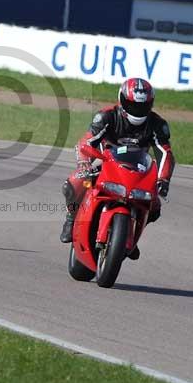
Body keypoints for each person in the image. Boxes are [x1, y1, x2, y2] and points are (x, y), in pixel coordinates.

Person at [59, 78, 175, 253]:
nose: (137, 110)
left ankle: (131, 235)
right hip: (105, 160)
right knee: (74, 184)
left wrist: (163, 180)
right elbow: (87, 141)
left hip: (138, 167)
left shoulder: (157, 124)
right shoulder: (107, 116)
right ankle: (71, 217)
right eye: (132, 104)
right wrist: (84, 163)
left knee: (154, 206)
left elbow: (165, 153)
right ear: (122, 99)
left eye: (142, 106)